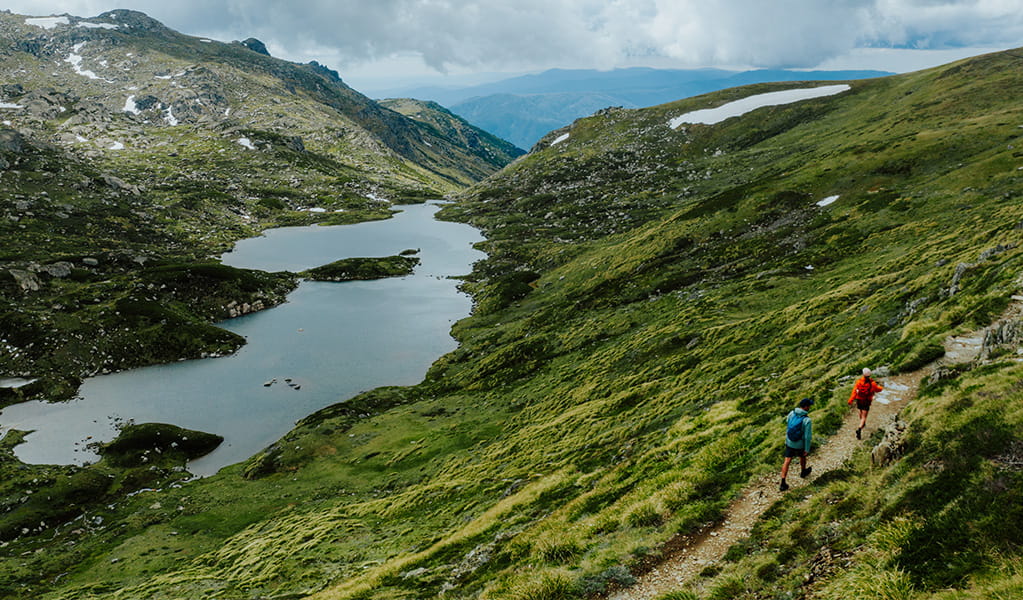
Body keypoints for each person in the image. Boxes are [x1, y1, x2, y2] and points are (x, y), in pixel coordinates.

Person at [780, 397, 813, 492]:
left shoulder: (792, 413)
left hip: (789, 442)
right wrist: (807, 449)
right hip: (799, 444)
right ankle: (803, 472)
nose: (810, 407)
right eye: (809, 405)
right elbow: (807, 437)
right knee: (802, 457)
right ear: (806, 407)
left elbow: (788, 423)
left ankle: (783, 482)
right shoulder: (807, 420)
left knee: (787, 460)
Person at [848, 367, 883, 439]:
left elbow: (854, 392)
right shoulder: (872, 383)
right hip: (867, 401)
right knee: (864, 416)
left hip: (859, 400)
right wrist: (881, 387)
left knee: (860, 411)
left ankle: (863, 423)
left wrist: (851, 400)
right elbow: (877, 389)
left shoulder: (859, 382)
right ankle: (859, 428)